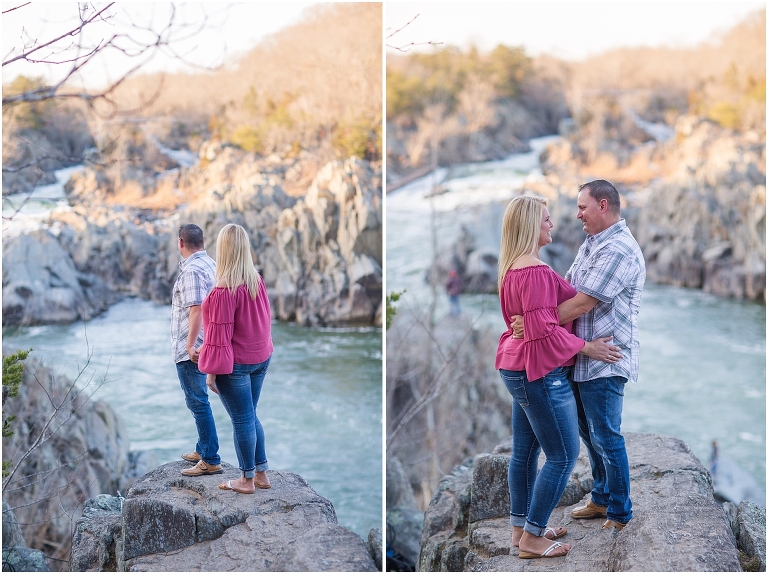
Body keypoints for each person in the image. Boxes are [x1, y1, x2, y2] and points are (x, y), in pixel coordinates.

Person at [513, 180, 645, 531]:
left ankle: (619, 512)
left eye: (582, 207)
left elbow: (584, 303)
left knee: (606, 435)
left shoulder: (618, 249)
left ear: (603, 206)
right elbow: (568, 290)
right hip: (582, 356)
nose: (576, 215)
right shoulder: (592, 244)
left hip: (605, 357)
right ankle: (602, 498)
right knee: (590, 434)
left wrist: (536, 322)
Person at [496, 195, 621, 559]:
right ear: (531, 226)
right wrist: (588, 347)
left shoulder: (512, 268)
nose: (552, 224)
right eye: (546, 219)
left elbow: (537, 322)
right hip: (540, 373)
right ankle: (533, 539)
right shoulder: (533, 271)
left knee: (524, 453)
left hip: (517, 366)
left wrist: (539, 321)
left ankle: (521, 530)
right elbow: (545, 333)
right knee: (564, 455)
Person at [199, 223, 274, 494]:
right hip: (261, 357)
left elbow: (219, 339)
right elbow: (264, 322)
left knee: (242, 420)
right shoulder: (256, 279)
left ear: (223, 249)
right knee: (250, 416)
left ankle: (246, 479)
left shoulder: (223, 292)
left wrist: (210, 372)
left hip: (238, 365)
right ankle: (262, 473)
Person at [171, 223, 222, 477]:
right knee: (199, 400)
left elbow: (196, 308)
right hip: (209, 341)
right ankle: (203, 449)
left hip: (192, 348)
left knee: (198, 402)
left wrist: (190, 345)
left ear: (181, 243)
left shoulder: (191, 270)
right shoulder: (211, 264)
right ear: (202, 241)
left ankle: (211, 458)